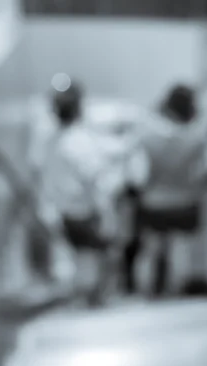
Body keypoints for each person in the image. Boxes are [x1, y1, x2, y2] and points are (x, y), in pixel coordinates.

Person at [31, 77, 139, 304]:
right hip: (85, 210)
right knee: (93, 256)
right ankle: (92, 301)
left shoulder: (49, 140)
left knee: (82, 257)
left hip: (64, 211)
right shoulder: (77, 141)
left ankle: (88, 299)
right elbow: (95, 177)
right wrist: (106, 210)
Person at [121, 84, 207, 297]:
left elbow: (137, 177)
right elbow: (203, 173)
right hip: (186, 202)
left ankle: (151, 292)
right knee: (179, 250)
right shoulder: (197, 140)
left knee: (153, 249)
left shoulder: (146, 138)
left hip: (155, 203)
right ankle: (176, 292)